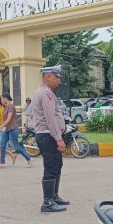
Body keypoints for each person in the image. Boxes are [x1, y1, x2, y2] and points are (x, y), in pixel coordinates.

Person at [32, 65, 68, 213]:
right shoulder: (46, 94)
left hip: (47, 134)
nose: (58, 81)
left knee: (57, 165)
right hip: (48, 134)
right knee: (51, 167)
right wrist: (58, 138)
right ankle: (47, 202)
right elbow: (50, 118)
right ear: (48, 76)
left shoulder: (42, 92)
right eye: (56, 77)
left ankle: (54, 196)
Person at [0, 92, 32, 169]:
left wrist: (1, 126)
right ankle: (2, 163)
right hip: (6, 129)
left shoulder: (10, 106)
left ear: (5, 98)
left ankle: (29, 159)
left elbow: (9, 118)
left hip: (13, 129)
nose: (1, 100)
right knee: (2, 146)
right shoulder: (5, 107)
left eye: (1, 98)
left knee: (16, 147)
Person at [0, 95, 16, 167]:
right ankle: (11, 155)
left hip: (1, 128)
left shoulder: (2, 109)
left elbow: (4, 119)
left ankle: (0, 162)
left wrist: (0, 126)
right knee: (0, 146)